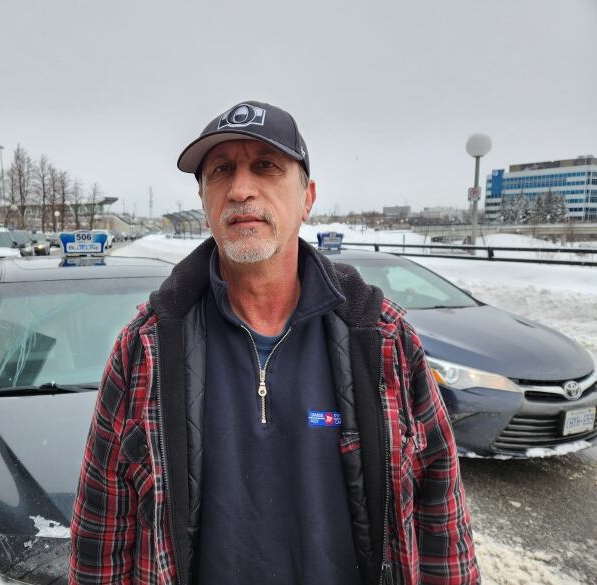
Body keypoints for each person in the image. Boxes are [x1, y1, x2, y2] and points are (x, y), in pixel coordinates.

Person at [70, 100, 480, 584]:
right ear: (204, 201)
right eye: (221, 170)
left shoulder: (384, 340)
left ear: (307, 197)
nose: (241, 188)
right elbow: (101, 537)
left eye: (266, 166)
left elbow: (442, 521)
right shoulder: (146, 350)